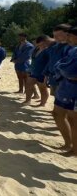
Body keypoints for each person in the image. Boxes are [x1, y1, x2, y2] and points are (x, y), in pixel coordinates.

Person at [44, 24, 72, 151]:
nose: (55, 38)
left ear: (68, 33)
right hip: (59, 81)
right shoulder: (56, 46)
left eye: (57, 35)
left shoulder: (71, 48)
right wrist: (48, 74)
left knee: (68, 116)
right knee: (58, 114)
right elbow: (51, 62)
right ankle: (69, 143)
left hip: (69, 84)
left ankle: (70, 145)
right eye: (54, 35)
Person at [53, 26, 77, 156]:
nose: (68, 38)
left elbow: (68, 70)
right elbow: (60, 65)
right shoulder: (69, 49)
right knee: (57, 114)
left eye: (69, 36)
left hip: (73, 89)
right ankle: (69, 144)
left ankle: (74, 150)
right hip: (65, 86)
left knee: (74, 121)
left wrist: (62, 68)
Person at [23, 36, 53, 106]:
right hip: (34, 71)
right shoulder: (36, 49)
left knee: (42, 88)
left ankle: (42, 103)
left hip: (42, 72)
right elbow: (33, 60)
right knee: (28, 84)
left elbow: (50, 62)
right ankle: (28, 100)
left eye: (40, 43)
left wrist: (47, 74)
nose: (38, 44)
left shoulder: (47, 51)